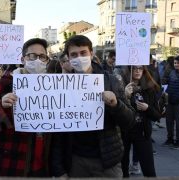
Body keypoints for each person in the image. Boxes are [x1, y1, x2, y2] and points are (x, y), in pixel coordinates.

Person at [51, 35, 135, 178]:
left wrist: (116, 105)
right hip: (75, 160)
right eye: (74, 55)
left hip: (107, 162)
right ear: (68, 58)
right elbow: (58, 131)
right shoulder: (61, 85)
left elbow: (130, 121)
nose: (79, 58)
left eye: (83, 53)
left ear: (91, 53)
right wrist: (58, 169)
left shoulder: (111, 80)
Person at [0, 38, 52, 177]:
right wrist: (1, 106)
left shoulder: (54, 86)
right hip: (12, 163)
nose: (37, 60)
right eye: (32, 56)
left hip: (42, 165)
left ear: (47, 60)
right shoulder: (4, 84)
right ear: (22, 59)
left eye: (42, 56)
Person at [122, 65, 161, 177]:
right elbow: (114, 111)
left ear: (144, 70)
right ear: (129, 70)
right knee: (123, 171)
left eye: (140, 68)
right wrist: (124, 96)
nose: (137, 71)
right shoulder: (120, 86)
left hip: (142, 133)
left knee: (149, 171)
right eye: (134, 68)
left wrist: (147, 108)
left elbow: (157, 115)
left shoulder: (149, 88)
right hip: (124, 132)